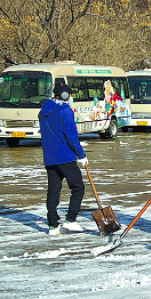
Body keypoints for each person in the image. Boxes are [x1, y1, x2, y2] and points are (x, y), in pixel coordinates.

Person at [39, 82, 87, 235]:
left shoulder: (43, 111)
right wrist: (81, 155)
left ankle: (53, 225)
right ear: (65, 95)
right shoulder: (65, 110)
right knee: (78, 187)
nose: (71, 97)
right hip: (65, 156)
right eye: (69, 94)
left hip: (49, 158)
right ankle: (71, 220)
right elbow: (71, 136)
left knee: (53, 191)